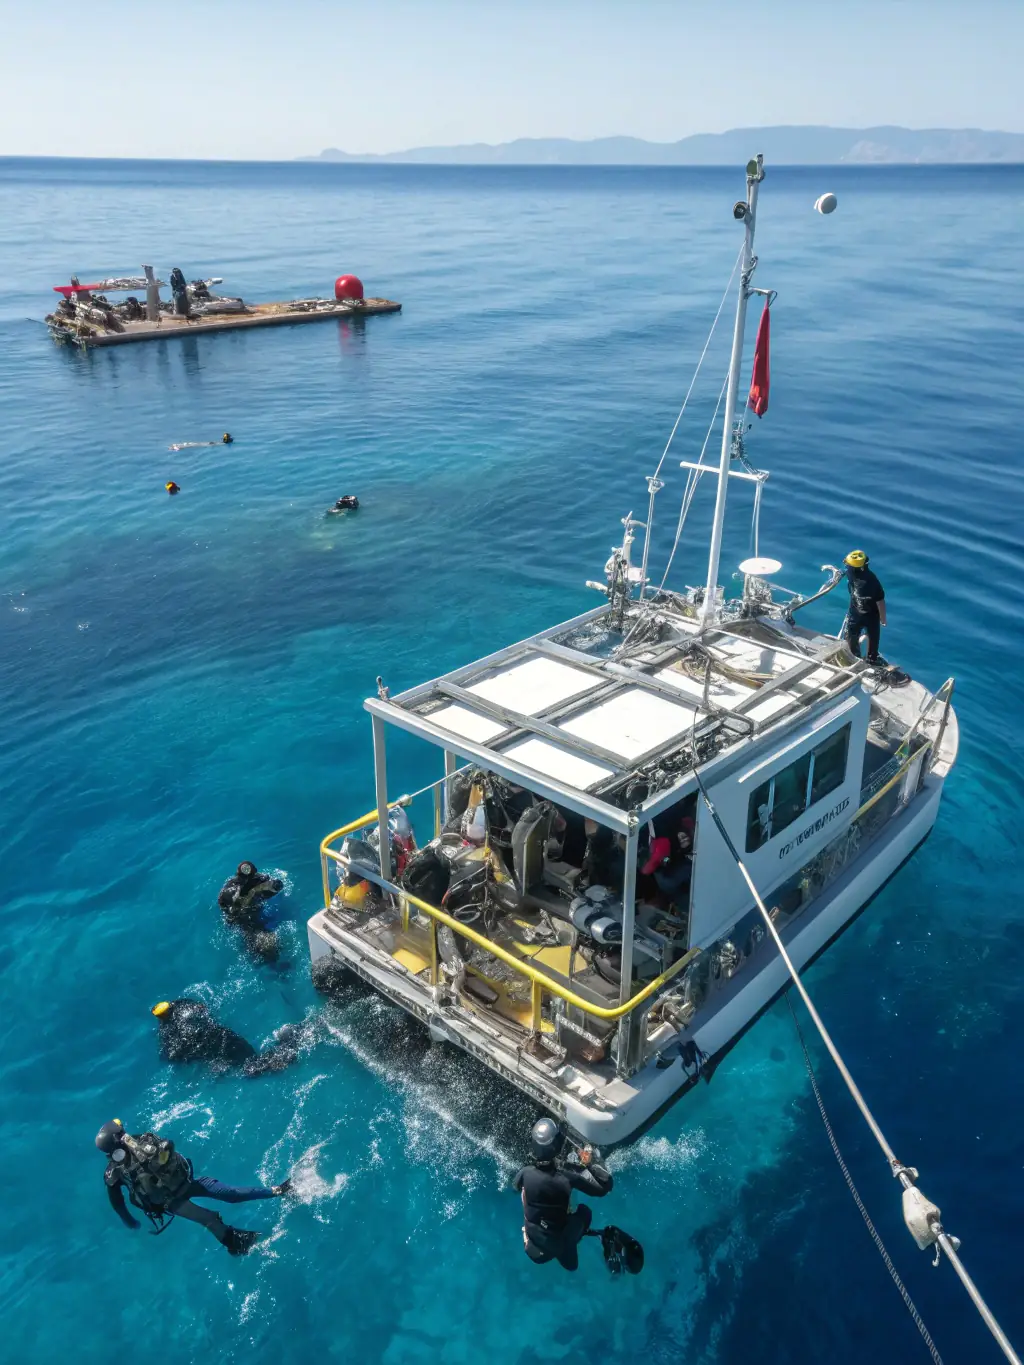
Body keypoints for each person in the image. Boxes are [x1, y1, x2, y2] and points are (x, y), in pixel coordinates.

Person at [95, 1118, 291, 1255]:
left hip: (185, 1182)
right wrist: (130, 1222)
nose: (126, 1134)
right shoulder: (114, 1173)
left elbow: (169, 1148)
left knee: (230, 1193)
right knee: (209, 1219)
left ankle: (277, 1191)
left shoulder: (144, 1141)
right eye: (121, 1133)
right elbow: (117, 1203)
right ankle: (238, 1245)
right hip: (170, 1202)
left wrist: (159, 1152)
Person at [512, 1117, 612, 1271]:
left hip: (535, 1250)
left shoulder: (525, 1173)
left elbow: (515, 1187)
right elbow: (604, 1187)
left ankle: (529, 1235)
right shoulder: (567, 1176)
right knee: (585, 1212)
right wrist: (589, 1162)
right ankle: (575, 1236)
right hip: (559, 1243)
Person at [151, 998, 305, 1076]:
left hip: (211, 1050)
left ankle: (287, 1055)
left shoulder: (167, 1033)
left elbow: (173, 1055)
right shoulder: (182, 1004)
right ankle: (288, 1050)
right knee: (250, 1061)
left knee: (248, 1067)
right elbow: (202, 1008)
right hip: (221, 1035)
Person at [218, 861, 284, 963]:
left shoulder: (258, 880)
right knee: (266, 945)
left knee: (267, 944)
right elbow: (229, 909)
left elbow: (277, 885)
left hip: (249, 913)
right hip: (243, 918)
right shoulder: (231, 891)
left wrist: (273, 885)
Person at [842, 549, 886, 663]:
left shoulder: (851, 573)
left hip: (861, 613)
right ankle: (870, 658)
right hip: (867, 614)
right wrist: (883, 619)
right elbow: (880, 600)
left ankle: (857, 657)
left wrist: (882, 618)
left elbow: (880, 599)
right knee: (871, 637)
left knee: (853, 635)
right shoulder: (871, 580)